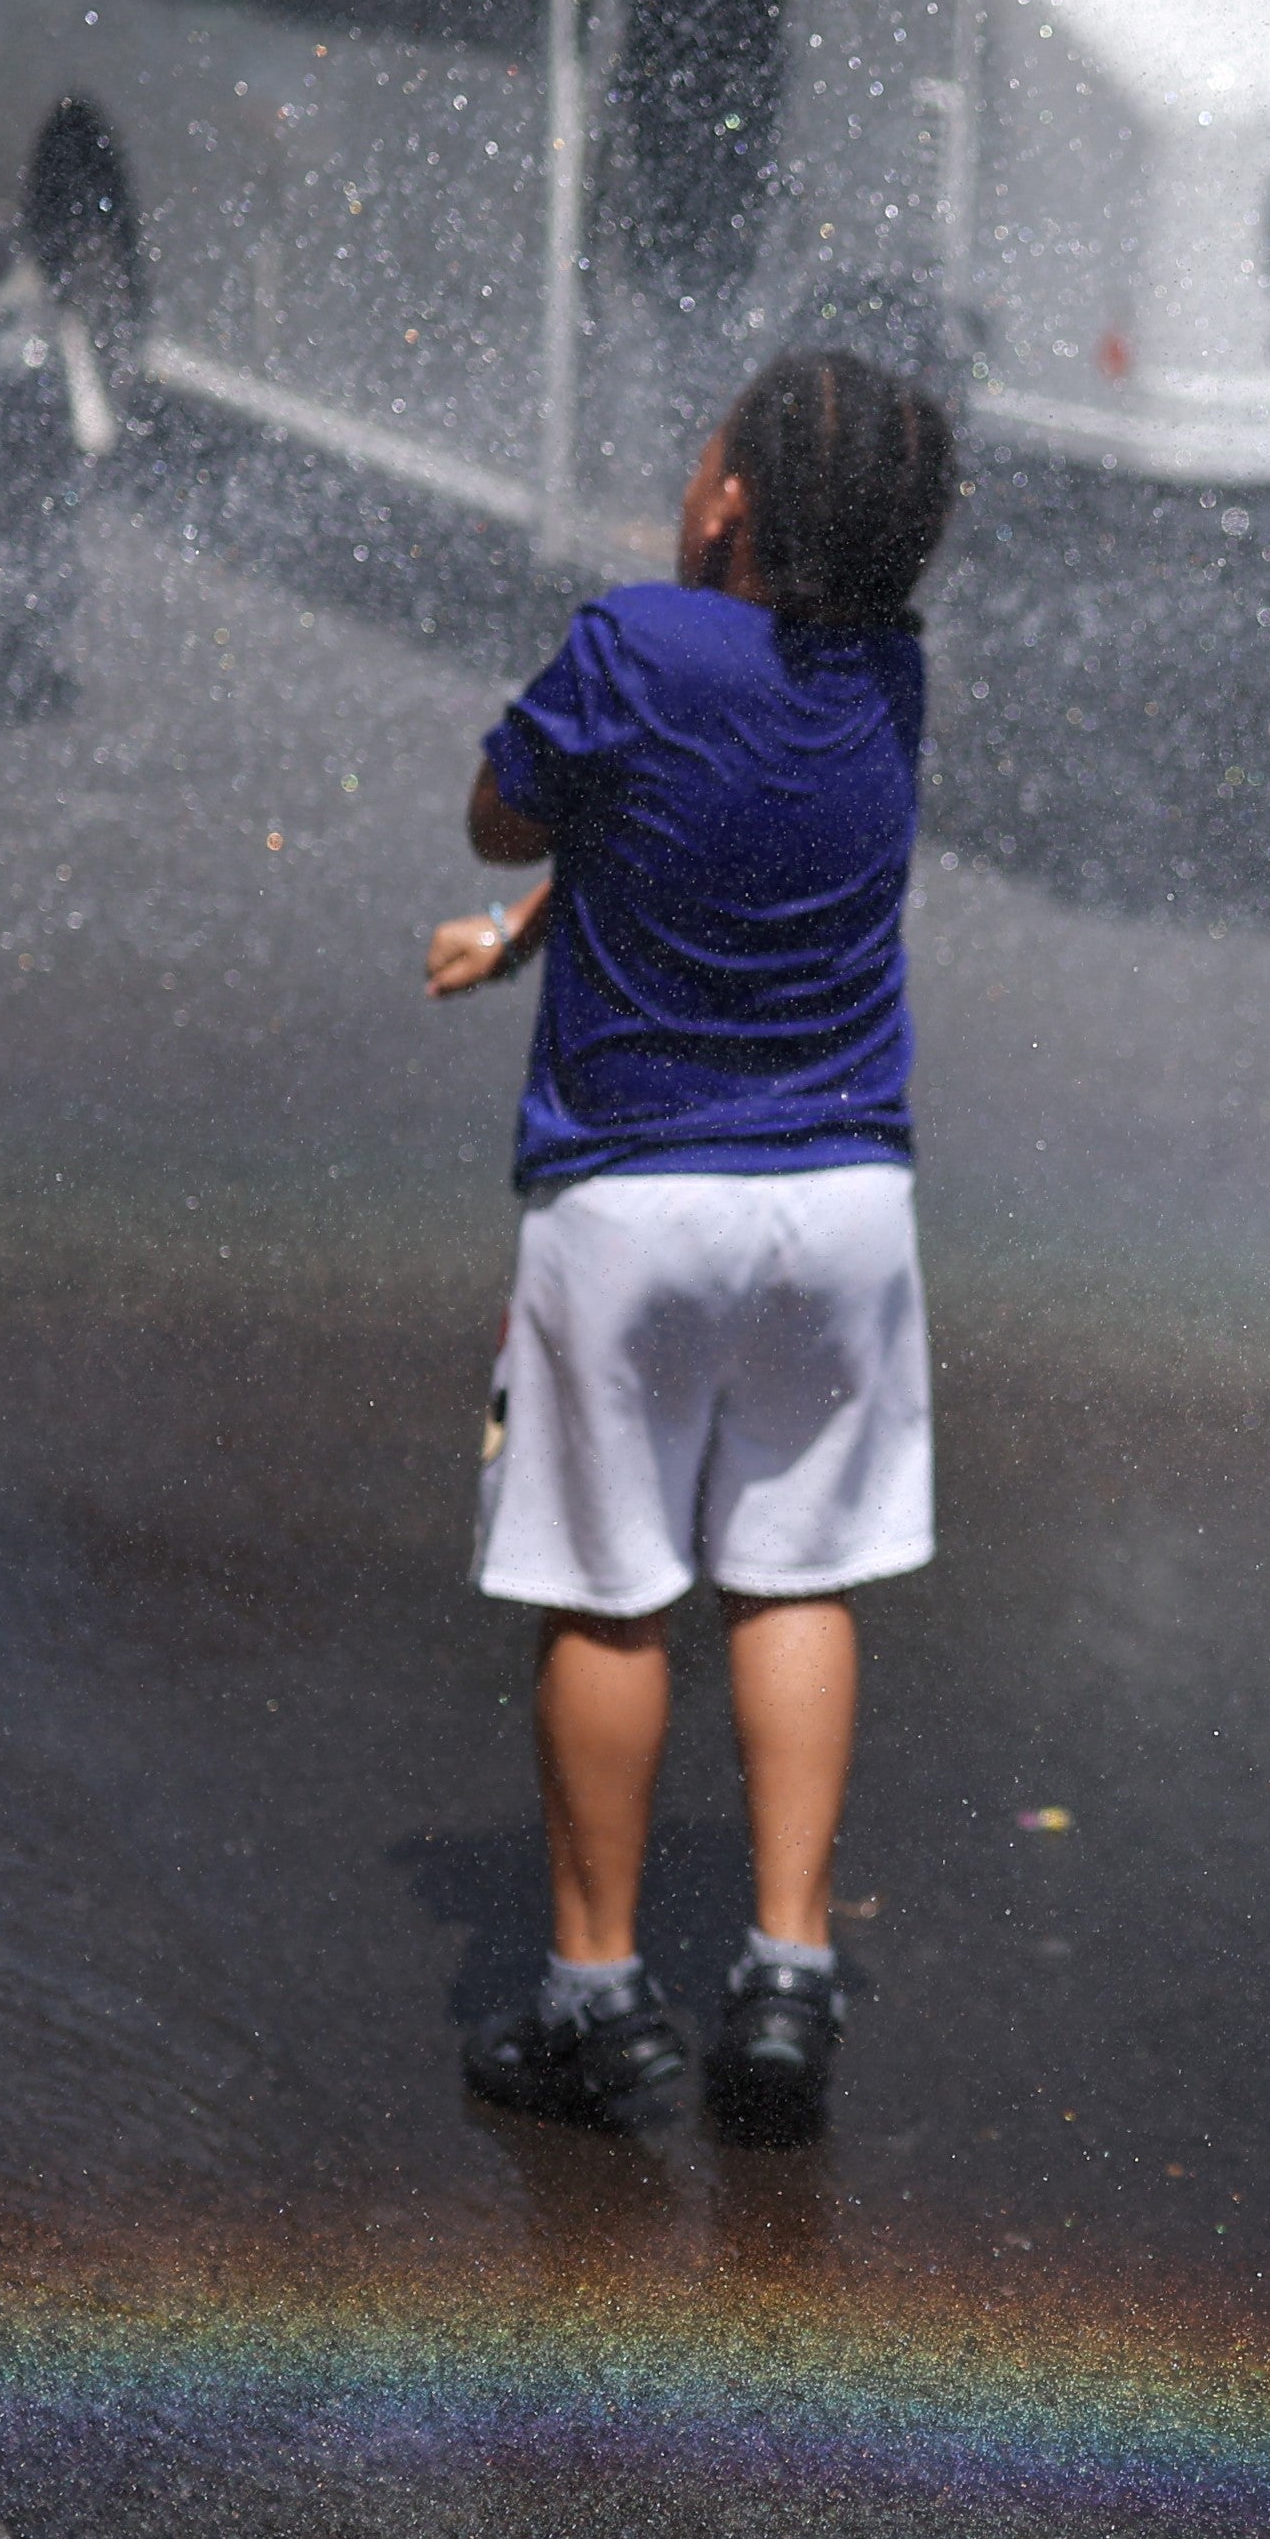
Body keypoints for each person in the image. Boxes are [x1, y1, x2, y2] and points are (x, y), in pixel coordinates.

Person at [438, 354, 958, 2144]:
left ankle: (596, 1992)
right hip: (840, 1207)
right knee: (796, 1575)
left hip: (633, 1196)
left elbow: (511, 803)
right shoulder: (886, 678)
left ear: (729, 499)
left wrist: (520, 887)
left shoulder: (636, 646)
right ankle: (789, 1972)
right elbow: (696, 832)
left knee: (609, 1588)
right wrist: (535, 932)